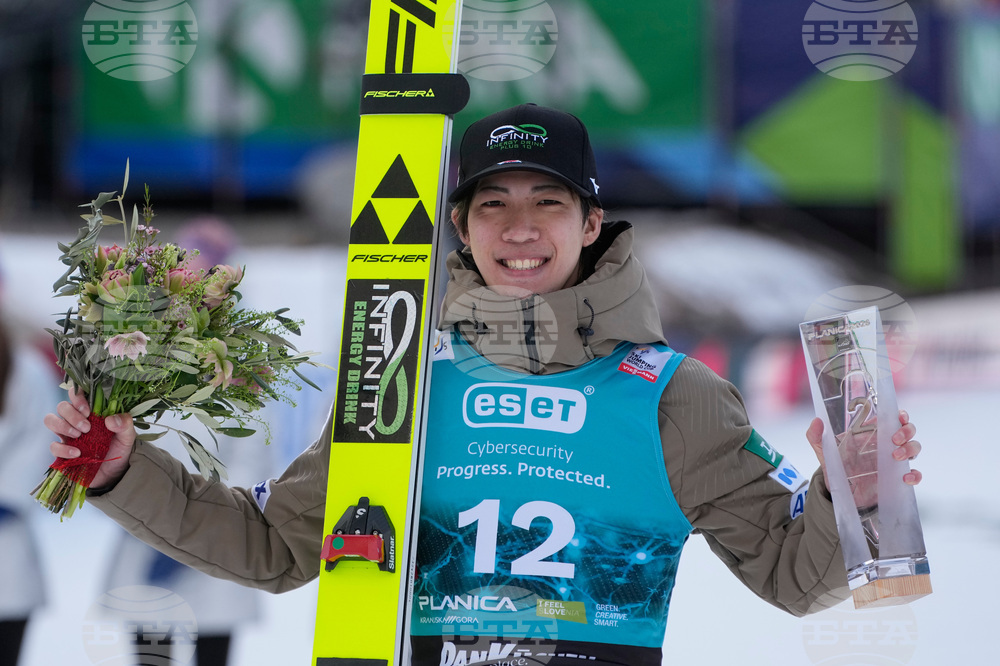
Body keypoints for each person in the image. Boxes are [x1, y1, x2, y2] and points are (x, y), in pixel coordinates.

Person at [44, 104, 923, 665]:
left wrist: (857, 498)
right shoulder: (402, 380)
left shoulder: (674, 393)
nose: (521, 227)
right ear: (461, 228)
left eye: (548, 202)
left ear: (590, 222)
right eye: (493, 204)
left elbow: (786, 572)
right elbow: (278, 547)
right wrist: (126, 470)